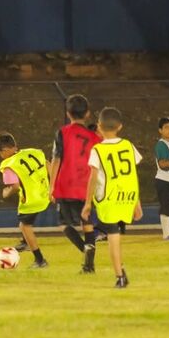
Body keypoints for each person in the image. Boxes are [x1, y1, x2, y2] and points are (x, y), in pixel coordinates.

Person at [81, 108, 143, 288]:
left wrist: (87, 203)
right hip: (127, 196)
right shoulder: (128, 145)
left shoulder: (97, 150)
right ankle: (121, 271)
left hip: (108, 198)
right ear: (120, 126)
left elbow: (92, 178)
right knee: (114, 234)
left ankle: (120, 276)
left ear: (99, 127)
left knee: (113, 236)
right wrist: (136, 201)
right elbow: (132, 173)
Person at [49, 94, 101, 273]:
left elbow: (56, 159)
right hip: (86, 186)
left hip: (66, 184)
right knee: (87, 224)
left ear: (68, 113)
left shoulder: (62, 132)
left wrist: (51, 185)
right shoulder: (95, 138)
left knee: (64, 224)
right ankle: (89, 266)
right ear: (87, 114)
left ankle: (84, 249)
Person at [0, 132, 50, 269]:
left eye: (0, 153)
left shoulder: (9, 165)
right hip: (45, 194)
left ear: (5, 150)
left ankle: (40, 260)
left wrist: (6, 193)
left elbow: (15, 186)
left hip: (31, 200)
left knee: (24, 226)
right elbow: (49, 165)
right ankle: (25, 242)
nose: (1, 157)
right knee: (27, 224)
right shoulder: (33, 152)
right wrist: (53, 186)